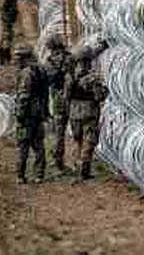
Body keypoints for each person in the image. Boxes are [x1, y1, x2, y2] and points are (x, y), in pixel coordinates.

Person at [63, 42, 108, 182]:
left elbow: (66, 96)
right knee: (90, 141)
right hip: (89, 111)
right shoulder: (92, 78)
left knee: (78, 140)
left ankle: (76, 165)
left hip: (74, 111)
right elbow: (99, 96)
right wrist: (104, 90)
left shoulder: (70, 76)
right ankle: (84, 169)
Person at [14, 46, 48, 184]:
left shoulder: (26, 73)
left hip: (28, 114)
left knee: (23, 145)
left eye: (19, 59)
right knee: (39, 145)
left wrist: (20, 114)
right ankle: (39, 174)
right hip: (38, 112)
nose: (17, 62)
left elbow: (24, 96)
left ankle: (20, 176)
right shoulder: (39, 69)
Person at [41, 36, 72, 175]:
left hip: (57, 98)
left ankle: (58, 161)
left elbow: (47, 81)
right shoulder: (70, 58)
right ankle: (79, 161)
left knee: (59, 132)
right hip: (74, 99)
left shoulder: (49, 63)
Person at [0, 0, 18, 65]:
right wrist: (8, 19)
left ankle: (5, 57)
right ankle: (4, 58)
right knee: (7, 37)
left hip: (8, 20)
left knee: (7, 37)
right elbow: (4, 10)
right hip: (7, 20)